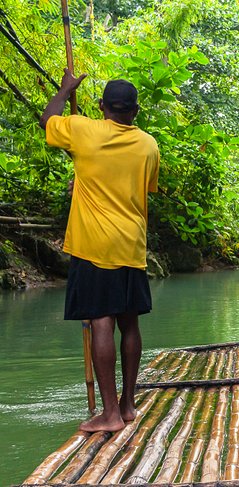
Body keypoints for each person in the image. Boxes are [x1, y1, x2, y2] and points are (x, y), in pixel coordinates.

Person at [40, 70, 160, 433]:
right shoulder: (149, 146)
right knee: (130, 322)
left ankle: (109, 415)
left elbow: (48, 120)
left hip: (95, 244)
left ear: (102, 107)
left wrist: (65, 90)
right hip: (131, 243)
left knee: (101, 321)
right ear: (135, 112)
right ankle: (127, 405)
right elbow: (143, 189)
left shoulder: (83, 129)